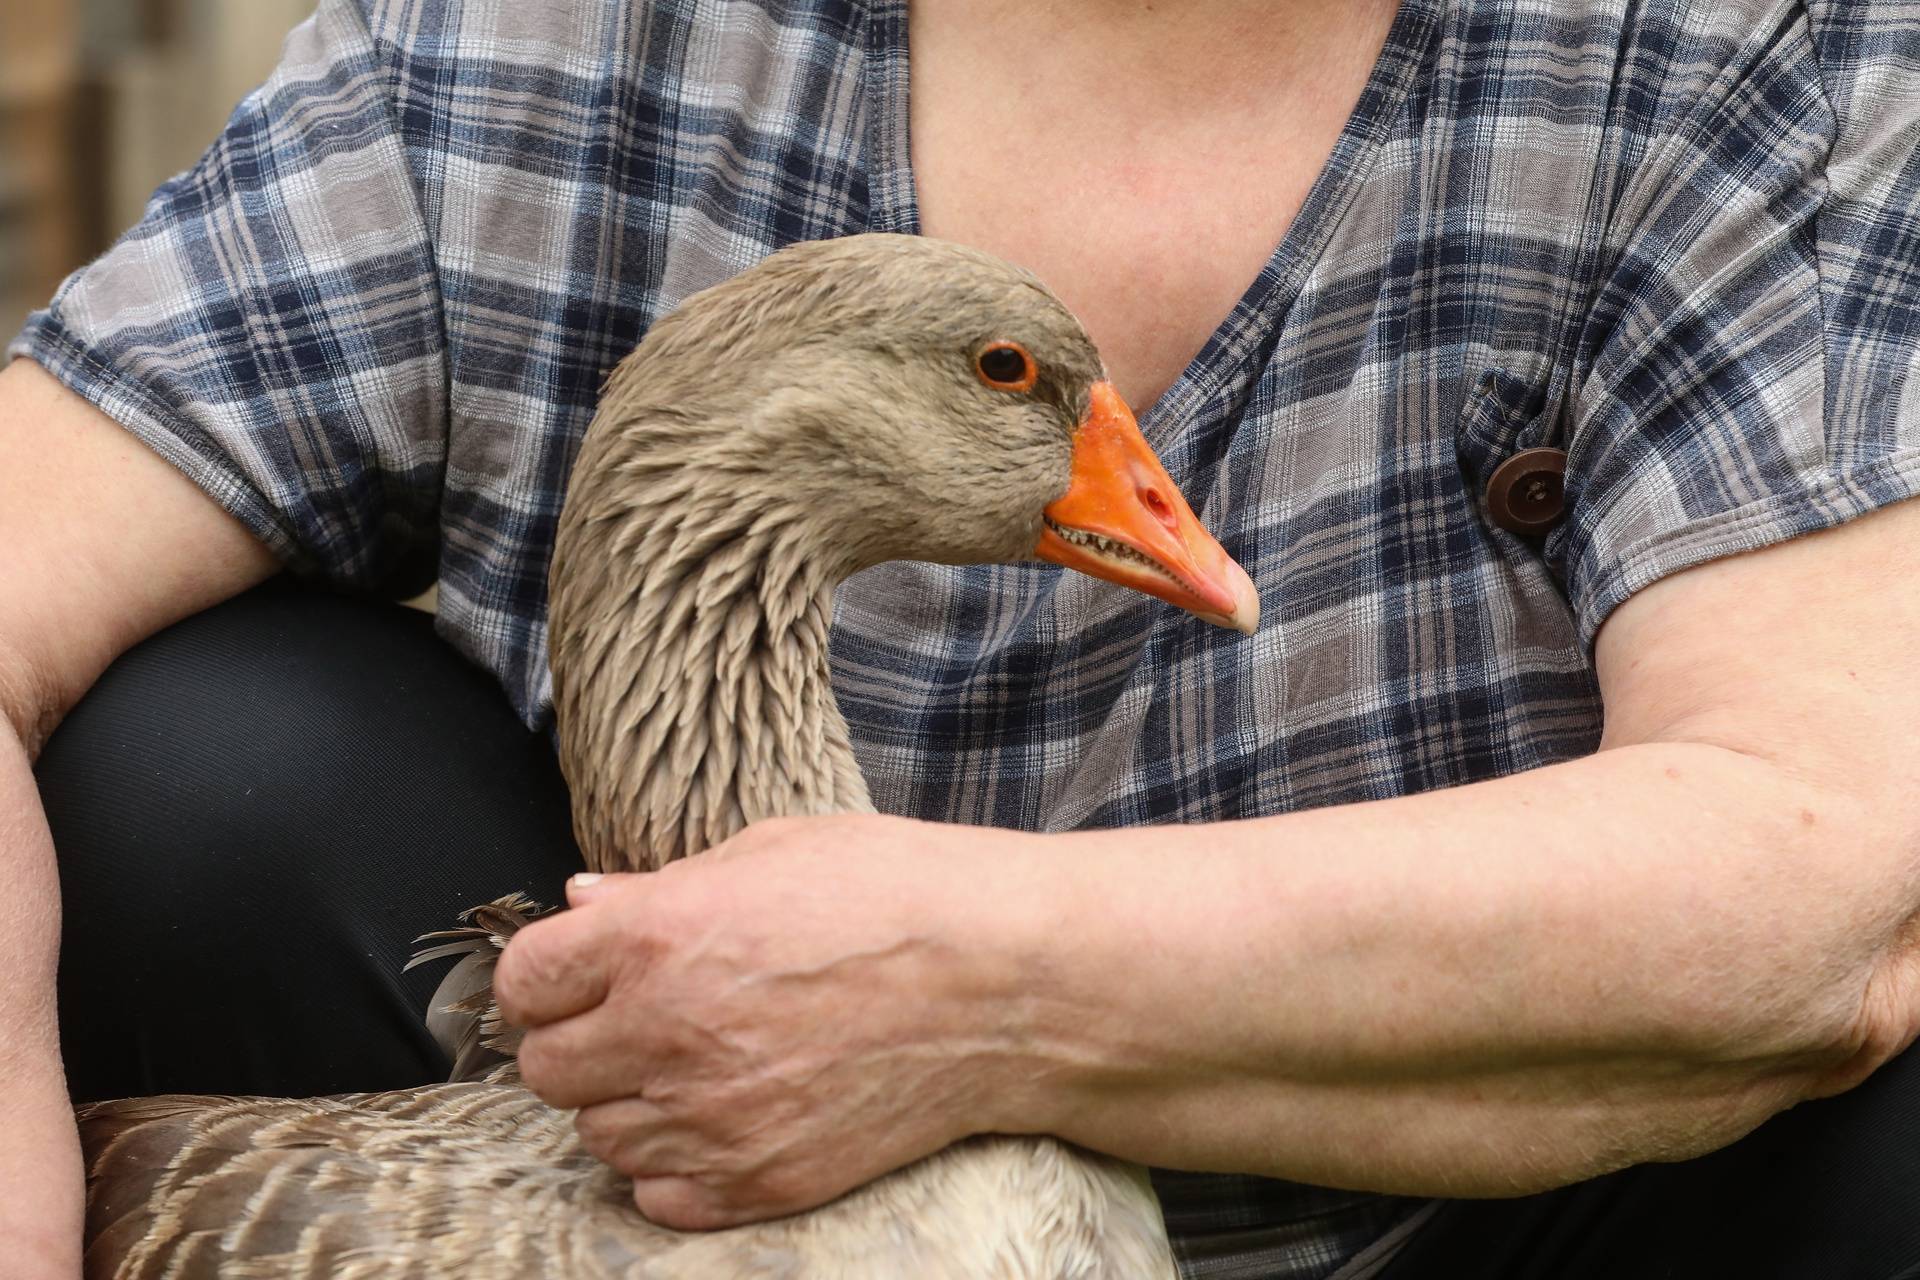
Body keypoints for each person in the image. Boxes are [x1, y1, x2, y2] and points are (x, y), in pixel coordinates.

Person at [5, 0, 1920, 1275]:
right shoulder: (536, 31)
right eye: (1018, 383)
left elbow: (1815, 879)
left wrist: (957, 989)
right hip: (622, 1128)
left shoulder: (1744, 59)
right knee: (199, 765)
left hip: (1476, 1204)